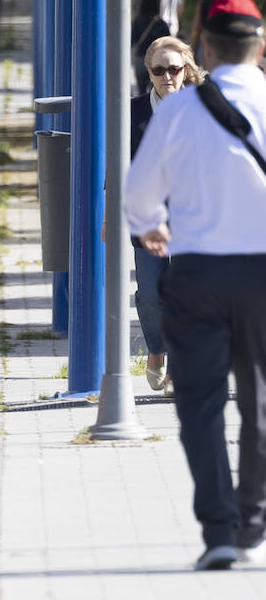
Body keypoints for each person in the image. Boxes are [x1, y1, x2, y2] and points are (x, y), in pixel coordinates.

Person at [125, 0, 266, 571]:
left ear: (204, 46)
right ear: (258, 46)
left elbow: (138, 195)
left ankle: (220, 530)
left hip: (197, 270)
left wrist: (151, 227)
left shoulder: (178, 112)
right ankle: (253, 514)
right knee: (259, 397)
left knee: (201, 401)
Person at [129, 36, 201, 400]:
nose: (167, 76)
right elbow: (117, 169)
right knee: (153, 294)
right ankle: (157, 348)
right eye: (159, 70)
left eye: (174, 69)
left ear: (185, 69)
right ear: (149, 73)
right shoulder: (133, 112)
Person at [132, 0, 173, 95]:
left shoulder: (137, 21)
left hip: (141, 58)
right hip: (157, 61)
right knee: (155, 91)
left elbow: (132, 40)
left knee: (141, 91)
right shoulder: (161, 24)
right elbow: (168, 43)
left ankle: (142, 109)